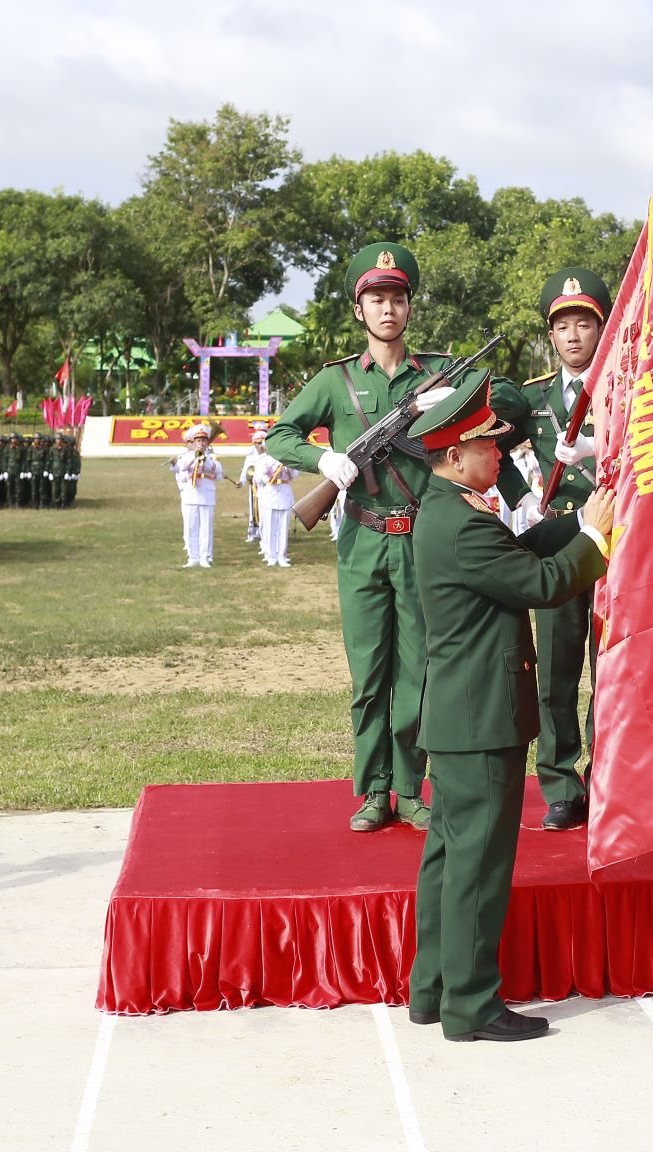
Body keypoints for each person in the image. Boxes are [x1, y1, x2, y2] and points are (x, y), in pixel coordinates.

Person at [405, 375, 613, 1042]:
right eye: (489, 447)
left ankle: (433, 990)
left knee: (447, 858)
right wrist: (600, 540)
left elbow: (521, 551)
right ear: (454, 454)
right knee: (477, 870)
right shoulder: (462, 525)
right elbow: (545, 583)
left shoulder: (456, 510)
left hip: (465, 715)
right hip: (481, 719)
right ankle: (470, 1006)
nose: (503, 455)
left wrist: (581, 522)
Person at [264, 242, 465, 832]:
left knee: (418, 671)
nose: (387, 309)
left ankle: (411, 786)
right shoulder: (336, 381)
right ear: (359, 309)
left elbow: (496, 405)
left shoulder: (435, 376)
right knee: (369, 672)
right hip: (363, 539)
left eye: (397, 298)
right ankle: (374, 788)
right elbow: (278, 435)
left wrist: (445, 409)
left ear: (408, 307)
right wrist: (321, 459)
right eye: (376, 298)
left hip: (420, 540)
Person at [489, 267, 612, 831]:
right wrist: (525, 497)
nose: (573, 336)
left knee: (613, 669)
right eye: (562, 326)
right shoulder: (534, 398)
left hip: (617, 543)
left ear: (601, 328)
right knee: (557, 669)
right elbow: (492, 449)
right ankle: (562, 782)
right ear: (550, 335)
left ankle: (610, 777)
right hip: (560, 547)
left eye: (583, 323)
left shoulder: (627, 393)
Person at [171, 423, 223, 568]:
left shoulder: (212, 457)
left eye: (203, 440)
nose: (200, 443)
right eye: (198, 441)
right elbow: (182, 467)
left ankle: (204, 557)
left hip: (207, 496)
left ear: (207, 443)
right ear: (193, 443)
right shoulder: (186, 457)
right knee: (191, 527)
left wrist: (204, 458)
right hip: (190, 495)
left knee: (206, 529)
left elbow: (218, 471)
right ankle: (193, 557)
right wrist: (195, 455)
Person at [257, 440, 297, 568]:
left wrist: (288, 467)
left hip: (284, 495)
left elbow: (295, 475)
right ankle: (271, 556)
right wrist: (268, 476)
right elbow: (257, 478)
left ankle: (282, 555)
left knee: (283, 528)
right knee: (270, 528)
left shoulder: (287, 459)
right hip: (270, 495)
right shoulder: (264, 460)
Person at [239, 431, 269, 544]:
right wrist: (241, 482)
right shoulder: (250, 458)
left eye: (262, 442)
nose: (260, 445)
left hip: (267, 487)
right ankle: (252, 533)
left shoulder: (269, 456)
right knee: (253, 509)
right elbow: (245, 471)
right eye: (257, 443)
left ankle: (265, 533)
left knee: (265, 509)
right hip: (254, 487)